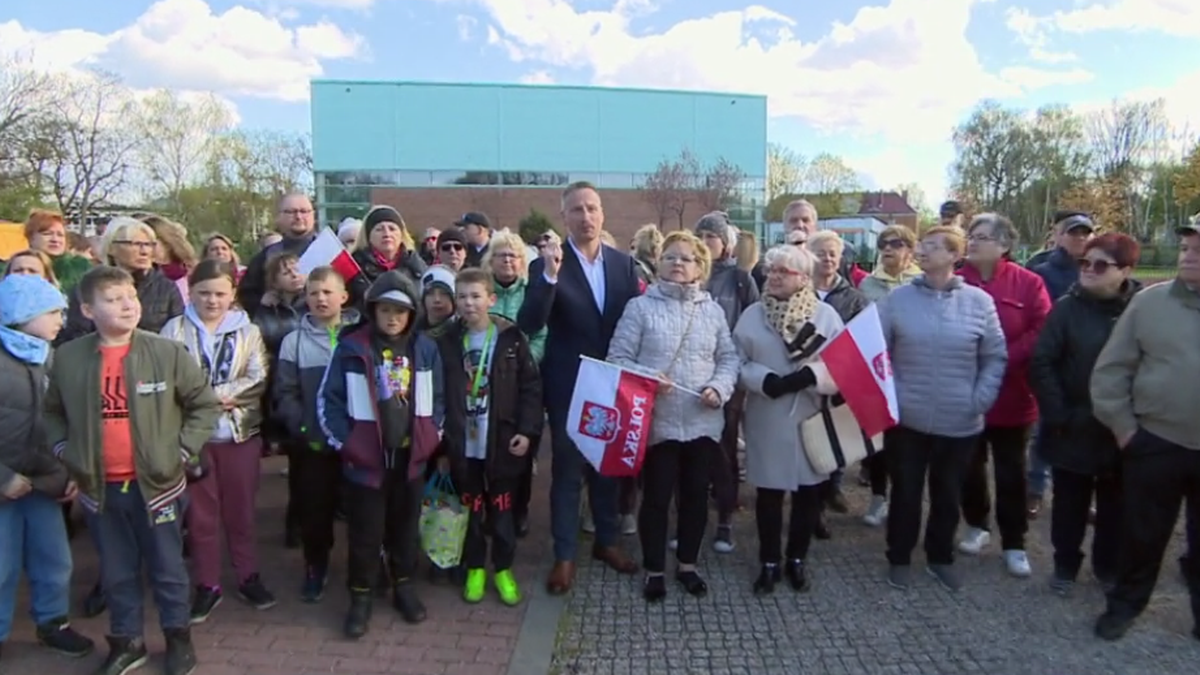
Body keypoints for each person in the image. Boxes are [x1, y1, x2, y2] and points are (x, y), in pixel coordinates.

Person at [44, 265, 222, 675]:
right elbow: (52, 411)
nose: (127, 305)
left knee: (167, 567)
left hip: (158, 485)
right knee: (117, 570)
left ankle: (178, 636)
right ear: (88, 310)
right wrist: (62, 449)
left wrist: (181, 449)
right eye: (113, 299)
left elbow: (203, 404)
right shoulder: (69, 358)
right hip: (99, 487)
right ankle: (127, 640)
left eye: (131, 297)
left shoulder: (165, 352)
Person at [518, 181, 643, 595]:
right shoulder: (547, 266)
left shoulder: (624, 265)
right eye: (576, 210)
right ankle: (565, 554)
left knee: (607, 468)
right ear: (564, 217)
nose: (585, 216)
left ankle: (607, 541)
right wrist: (549, 278)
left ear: (602, 213)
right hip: (570, 386)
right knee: (569, 473)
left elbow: (634, 323)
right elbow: (531, 323)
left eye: (592, 208)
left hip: (612, 386)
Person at [607, 231, 739, 601]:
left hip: (702, 421)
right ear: (659, 263)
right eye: (670, 257)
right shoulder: (639, 308)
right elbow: (617, 358)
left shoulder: (712, 311)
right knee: (657, 498)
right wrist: (647, 378)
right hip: (657, 423)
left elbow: (729, 358)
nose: (677, 263)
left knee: (696, 496)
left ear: (701, 266)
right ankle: (653, 569)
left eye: (686, 258)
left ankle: (688, 565)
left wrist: (719, 387)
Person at [318, 271, 449, 637]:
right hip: (367, 465)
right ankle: (360, 596)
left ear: (412, 314)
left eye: (401, 311)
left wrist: (430, 437)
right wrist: (349, 444)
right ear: (372, 310)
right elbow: (330, 402)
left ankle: (403, 586)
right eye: (385, 310)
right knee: (365, 533)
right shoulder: (352, 347)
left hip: (410, 460)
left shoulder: (425, 349)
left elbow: (439, 400)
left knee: (404, 530)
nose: (392, 318)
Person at [878, 225, 1007, 592]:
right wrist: (890, 399)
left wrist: (979, 399)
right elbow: (878, 352)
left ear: (954, 256)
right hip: (907, 418)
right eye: (922, 245)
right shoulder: (898, 300)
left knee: (947, 492)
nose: (922, 250)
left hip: (960, 419)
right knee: (905, 491)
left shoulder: (979, 303)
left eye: (933, 246)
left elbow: (994, 356)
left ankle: (939, 557)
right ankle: (899, 556)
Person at [1089, 222, 1200, 642]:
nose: (1187, 255)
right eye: (1186, 247)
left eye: (1198, 249)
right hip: (1156, 443)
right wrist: (1125, 429)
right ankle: (1124, 606)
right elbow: (1112, 370)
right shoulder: (1151, 304)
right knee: (1142, 536)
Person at [160, 260, 275, 623]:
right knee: (201, 516)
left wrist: (209, 395)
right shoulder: (174, 329)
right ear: (190, 292)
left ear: (233, 294)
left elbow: (257, 376)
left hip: (239, 434)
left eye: (220, 293)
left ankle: (247, 574)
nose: (212, 300)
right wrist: (203, 400)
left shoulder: (248, 330)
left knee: (240, 511)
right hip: (194, 439)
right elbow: (167, 380)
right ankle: (208, 584)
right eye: (204, 293)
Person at [1029, 233, 1142, 597]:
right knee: (1069, 504)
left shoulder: (1140, 310)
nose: (1089, 270)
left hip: (1122, 427)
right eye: (1085, 263)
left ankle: (1107, 566)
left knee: (1116, 504)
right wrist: (1059, 413)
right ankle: (1065, 565)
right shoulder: (1066, 308)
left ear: (1124, 270)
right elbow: (1042, 361)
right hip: (1072, 424)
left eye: (1100, 265)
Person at [734, 244, 844, 594]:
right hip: (767, 415)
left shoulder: (825, 316)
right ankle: (769, 561)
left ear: (803, 277)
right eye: (771, 270)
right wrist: (764, 380)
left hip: (810, 414)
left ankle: (797, 558)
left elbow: (844, 364)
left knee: (808, 495)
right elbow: (736, 360)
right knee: (768, 493)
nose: (775, 277)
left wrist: (811, 378)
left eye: (784, 271)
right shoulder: (753, 314)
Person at [0, 274, 93, 662]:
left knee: (54, 558)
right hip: (6, 484)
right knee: (2, 565)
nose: (61, 318)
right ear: (23, 313)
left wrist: (70, 470)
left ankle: (52, 622)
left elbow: (67, 419)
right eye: (53, 311)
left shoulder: (53, 357)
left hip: (44, 482)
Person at [956, 214, 1051, 578]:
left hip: (1013, 396)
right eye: (971, 236)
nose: (973, 242)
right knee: (969, 468)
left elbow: (1042, 329)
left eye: (982, 237)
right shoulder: (957, 281)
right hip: (964, 392)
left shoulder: (1029, 284)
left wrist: (999, 358)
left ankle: (1014, 542)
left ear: (1004, 246)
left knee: (1012, 473)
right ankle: (976, 525)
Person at [441, 268, 541, 606]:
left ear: (491, 299)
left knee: (502, 511)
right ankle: (474, 568)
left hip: (501, 440)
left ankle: (502, 567)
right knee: (469, 508)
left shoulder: (511, 339)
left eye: (475, 296)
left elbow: (530, 388)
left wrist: (527, 431)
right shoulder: (447, 341)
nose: (468, 304)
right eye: (462, 297)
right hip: (462, 443)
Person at [273, 266, 358, 603]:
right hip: (313, 443)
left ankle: (363, 568)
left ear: (343, 297)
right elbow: (285, 391)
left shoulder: (360, 334)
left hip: (355, 442)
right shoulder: (293, 341)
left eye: (327, 292)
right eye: (313, 293)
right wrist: (303, 427)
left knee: (360, 509)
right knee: (314, 510)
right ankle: (316, 565)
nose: (320, 299)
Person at [693, 212, 758, 553]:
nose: (704, 244)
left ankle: (725, 520)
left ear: (725, 243)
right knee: (691, 451)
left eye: (711, 238)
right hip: (692, 378)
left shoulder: (740, 279)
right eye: (699, 237)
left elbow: (754, 323)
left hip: (728, 379)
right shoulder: (690, 276)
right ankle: (692, 518)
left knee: (725, 450)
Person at [482, 232, 547, 536]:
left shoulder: (532, 292)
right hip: (485, 382)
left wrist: (523, 363)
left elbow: (541, 334)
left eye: (514, 255)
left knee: (522, 452)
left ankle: (519, 510)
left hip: (523, 383)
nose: (508, 260)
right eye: (501, 255)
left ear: (523, 262)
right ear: (490, 261)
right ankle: (488, 509)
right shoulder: (482, 293)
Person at [806, 231, 869, 529]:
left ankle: (831, 491)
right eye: (821, 252)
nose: (828, 258)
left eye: (833, 253)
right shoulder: (798, 293)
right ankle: (811, 504)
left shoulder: (855, 298)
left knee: (836, 440)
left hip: (841, 379)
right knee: (810, 442)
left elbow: (863, 338)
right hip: (804, 380)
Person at [60, 217, 184, 346]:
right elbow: (77, 334)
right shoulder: (88, 286)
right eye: (136, 244)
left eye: (149, 244)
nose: (145, 251)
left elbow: (178, 334)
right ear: (112, 248)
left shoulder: (166, 287)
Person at [239, 194, 318, 316]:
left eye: (304, 211)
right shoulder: (265, 257)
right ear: (279, 217)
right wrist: (261, 302)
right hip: (278, 327)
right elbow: (246, 295)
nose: (298, 216)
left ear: (313, 215)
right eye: (291, 212)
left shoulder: (333, 250)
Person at [348, 206, 427, 308]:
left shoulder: (417, 267)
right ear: (368, 236)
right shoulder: (354, 267)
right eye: (379, 229)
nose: (387, 234)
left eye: (392, 228)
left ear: (401, 234)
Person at [23, 209, 92, 293]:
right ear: (31, 238)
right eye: (47, 234)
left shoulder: (80, 267)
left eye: (60, 235)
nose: (55, 240)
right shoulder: (17, 267)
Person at [858, 225, 920, 303]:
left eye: (895, 244)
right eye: (882, 244)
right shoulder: (867, 284)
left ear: (910, 250)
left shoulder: (922, 283)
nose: (887, 248)